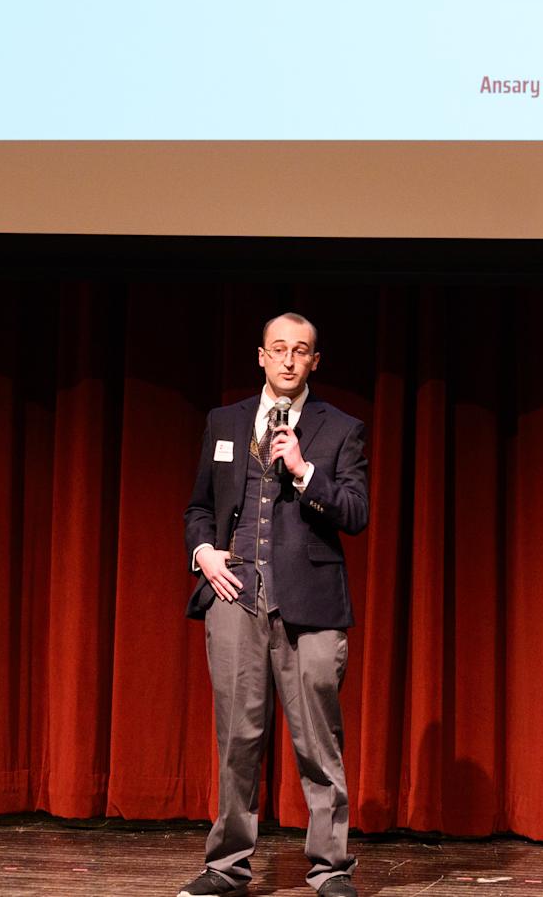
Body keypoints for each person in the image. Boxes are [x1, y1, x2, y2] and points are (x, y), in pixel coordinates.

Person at [179, 313, 370, 897]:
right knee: (238, 738)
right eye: (279, 349)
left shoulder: (340, 429)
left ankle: (331, 868)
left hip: (308, 603)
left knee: (318, 741)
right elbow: (199, 508)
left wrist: (304, 472)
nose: (289, 360)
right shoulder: (225, 421)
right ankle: (227, 866)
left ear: (315, 361)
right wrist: (204, 553)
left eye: (301, 351)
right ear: (261, 356)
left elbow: (356, 512)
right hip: (235, 596)